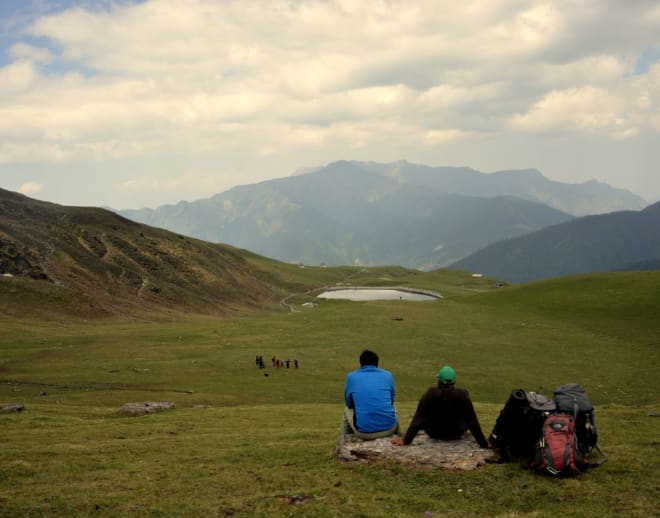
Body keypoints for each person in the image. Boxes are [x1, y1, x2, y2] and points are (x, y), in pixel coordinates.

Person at [392, 365, 489, 448]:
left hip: (434, 433)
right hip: (456, 433)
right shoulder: (462, 394)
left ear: (439, 381)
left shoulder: (430, 393)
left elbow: (418, 420)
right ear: (454, 382)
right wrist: (484, 443)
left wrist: (406, 440)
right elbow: (472, 422)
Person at [343, 349, 399, 439]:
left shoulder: (351, 377)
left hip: (363, 433)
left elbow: (349, 403)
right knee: (392, 406)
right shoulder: (388, 375)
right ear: (377, 363)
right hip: (389, 429)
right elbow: (392, 400)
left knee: (347, 409)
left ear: (361, 363)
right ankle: (398, 435)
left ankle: (345, 439)